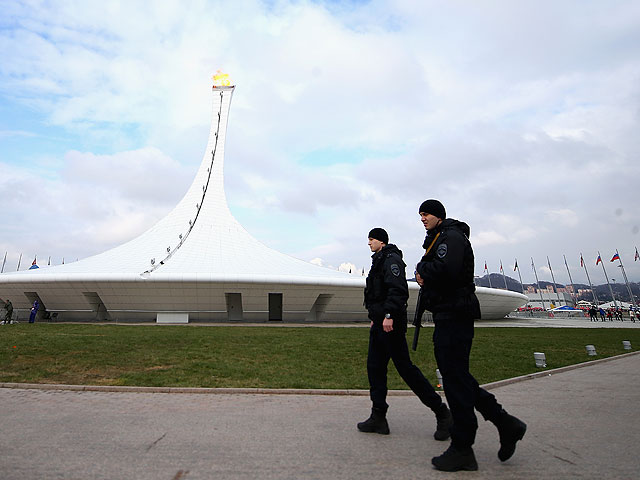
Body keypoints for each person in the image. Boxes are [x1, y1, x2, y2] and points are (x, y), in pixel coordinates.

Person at [414, 200, 526, 472]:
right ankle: (505, 423)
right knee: (458, 378)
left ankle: (463, 447)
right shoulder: (442, 237)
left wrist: (422, 271)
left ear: (438, 215)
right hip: (449, 314)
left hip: (454, 315)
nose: (422, 218)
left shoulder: (450, 238)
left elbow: (447, 270)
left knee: (455, 381)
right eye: (420, 215)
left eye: (426, 214)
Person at [358, 227, 452, 440]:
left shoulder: (391, 261)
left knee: (406, 369)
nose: (369, 243)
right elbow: (377, 293)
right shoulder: (379, 260)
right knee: (375, 368)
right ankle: (378, 416)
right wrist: (377, 318)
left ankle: (442, 413)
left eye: (371, 239)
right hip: (380, 323)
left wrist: (389, 315)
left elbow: (398, 289)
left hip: (391, 324)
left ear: (381, 241)